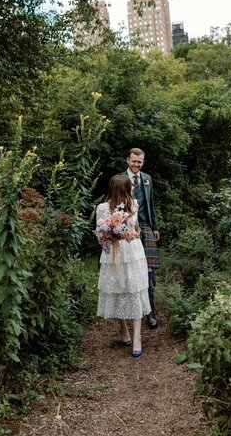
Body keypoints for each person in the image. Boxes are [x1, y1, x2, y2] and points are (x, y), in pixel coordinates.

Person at [96, 174, 151, 357]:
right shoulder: (103, 208)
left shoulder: (133, 205)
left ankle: (137, 337)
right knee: (117, 290)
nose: (132, 189)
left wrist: (132, 233)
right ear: (122, 188)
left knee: (135, 291)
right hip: (114, 253)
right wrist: (112, 234)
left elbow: (135, 230)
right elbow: (100, 233)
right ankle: (123, 328)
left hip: (133, 253)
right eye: (129, 187)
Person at [123, 147, 160, 329]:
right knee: (130, 272)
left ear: (143, 162)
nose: (136, 164)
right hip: (126, 228)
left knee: (150, 270)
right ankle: (130, 311)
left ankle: (150, 311)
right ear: (128, 160)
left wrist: (155, 227)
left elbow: (151, 204)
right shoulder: (120, 179)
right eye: (134, 161)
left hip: (144, 226)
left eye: (140, 162)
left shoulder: (147, 179)